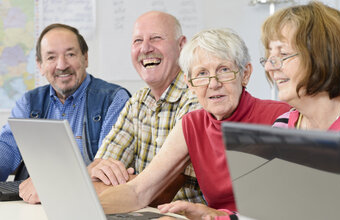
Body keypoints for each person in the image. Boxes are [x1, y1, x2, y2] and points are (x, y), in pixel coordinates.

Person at [96, 28, 291, 219]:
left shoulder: (281, 116)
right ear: (189, 83)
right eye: (202, 74)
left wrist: (219, 216)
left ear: (245, 74)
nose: (213, 83)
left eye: (224, 70)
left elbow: (290, 207)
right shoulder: (192, 124)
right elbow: (139, 191)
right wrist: (81, 210)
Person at [0, 23, 131, 203]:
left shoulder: (114, 100)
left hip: (86, 205)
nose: (62, 65)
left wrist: (51, 183)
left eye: (70, 54)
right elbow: (6, 149)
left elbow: (107, 170)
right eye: (51, 57)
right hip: (32, 206)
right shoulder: (29, 102)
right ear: (40, 65)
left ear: (85, 58)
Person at [87, 11, 205, 204]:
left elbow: (162, 193)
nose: (146, 48)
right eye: (137, 41)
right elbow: (98, 172)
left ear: (181, 45)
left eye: (156, 38)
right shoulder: (138, 101)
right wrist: (98, 173)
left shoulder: (197, 98)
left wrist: (121, 184)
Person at [260, 1, 340, 204]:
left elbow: (338, 212)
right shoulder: (282, 126)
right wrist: (214, 217)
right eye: (269, 55)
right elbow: (266, 207)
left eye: (282, 54)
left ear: (321, 56)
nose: (269, 66)